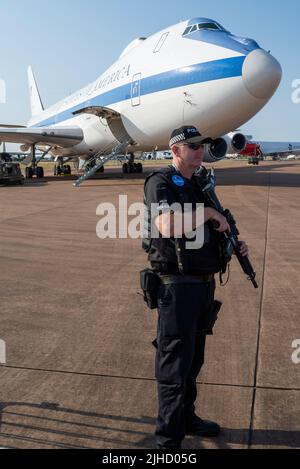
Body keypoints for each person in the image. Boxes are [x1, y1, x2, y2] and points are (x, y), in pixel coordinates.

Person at [143, 126, 249, 449]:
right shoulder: (160, 183)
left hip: (203, 287)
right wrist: (207, 213)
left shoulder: (201, 185)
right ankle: (168, 441)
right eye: (192, 146)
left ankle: (186, 418)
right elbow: (166, 225)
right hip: (176, 289)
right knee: (174, 367)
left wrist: (233, 243)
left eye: (201, 145)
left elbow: (211, 230)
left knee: (193, 362)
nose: (199, 150)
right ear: (175, 151)